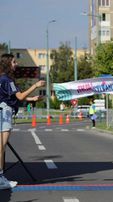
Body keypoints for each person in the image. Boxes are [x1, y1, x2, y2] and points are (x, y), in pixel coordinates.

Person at [0, 53, 45, 190]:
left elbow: (11, 97)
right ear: (8, 64)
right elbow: (19, 96)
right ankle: (1, 178)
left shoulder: (2, 79)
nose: (16, 64)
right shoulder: (7, 80)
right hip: (4, 112)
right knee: (1, 147)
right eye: (14, 62)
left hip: (2, 109)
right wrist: (35, 85)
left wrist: (31, 99)